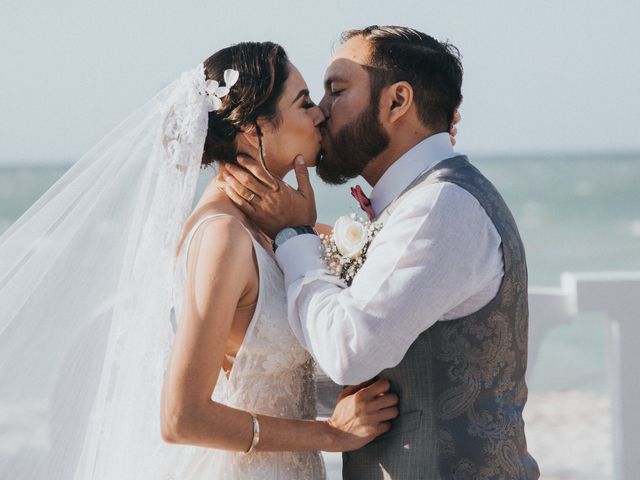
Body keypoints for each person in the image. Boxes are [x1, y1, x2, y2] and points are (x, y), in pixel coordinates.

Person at [0, 42, 398, 480]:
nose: (321, 113)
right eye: (303, 103)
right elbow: (181, 418)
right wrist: (331, 436)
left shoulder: (269, 228)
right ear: (255, 129)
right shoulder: (222, 236)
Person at [222, 26, 541, 479]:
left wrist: (294, 235)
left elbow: (351, 352)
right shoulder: (417, 203)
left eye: (336, 91)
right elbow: (384, 376)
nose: (320, 114)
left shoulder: (439, 206)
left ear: (397, 101)